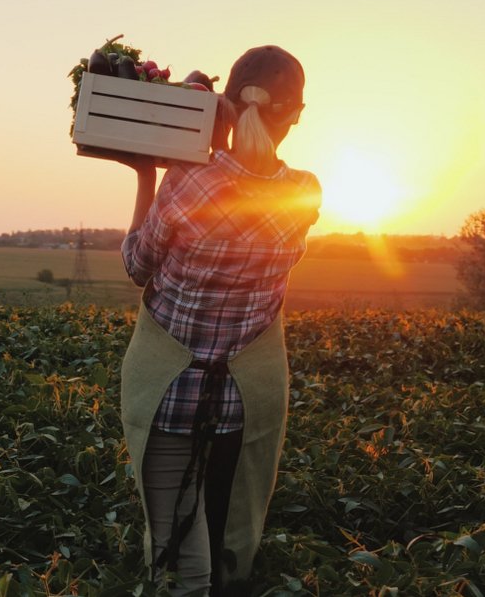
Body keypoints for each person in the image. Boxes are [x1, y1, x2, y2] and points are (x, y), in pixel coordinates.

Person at [118, 45, 321, 596]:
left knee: (179, 559)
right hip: (242, 400)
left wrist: (146, 174)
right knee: (226, 540)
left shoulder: (187, 180)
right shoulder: (304, 193)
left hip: (169, 395)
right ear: (296, 115)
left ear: (227, 105)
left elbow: (138, 265)